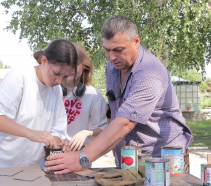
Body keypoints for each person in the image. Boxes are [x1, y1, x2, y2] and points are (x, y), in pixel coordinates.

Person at [45, 15, 193, 174]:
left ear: (136, 41)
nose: (111, 57)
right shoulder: (112, 67)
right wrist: (115, 146)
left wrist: (81, 158)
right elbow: (117, 112)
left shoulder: (150, 73)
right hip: (129, 157)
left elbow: (125, 123)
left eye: (118, 50)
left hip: (163, 158)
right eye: (107, 49)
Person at [0, 39, 78, 170]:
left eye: (65, 77)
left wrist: (53, 143)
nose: (59, 81)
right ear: (44, 61)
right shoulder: (21, 77)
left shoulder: (57, 90)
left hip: (23, 170)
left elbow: (57, 131)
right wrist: (30, 133)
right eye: (56, 73)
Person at [60, 43, 108, 151]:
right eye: (66, 63)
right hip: (53, 151)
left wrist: (86, 133)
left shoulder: (93, 95)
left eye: (75, 64)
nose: (70, 68)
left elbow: (103, 130)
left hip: (79, 155)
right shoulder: (52, 92)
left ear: (84, 65)